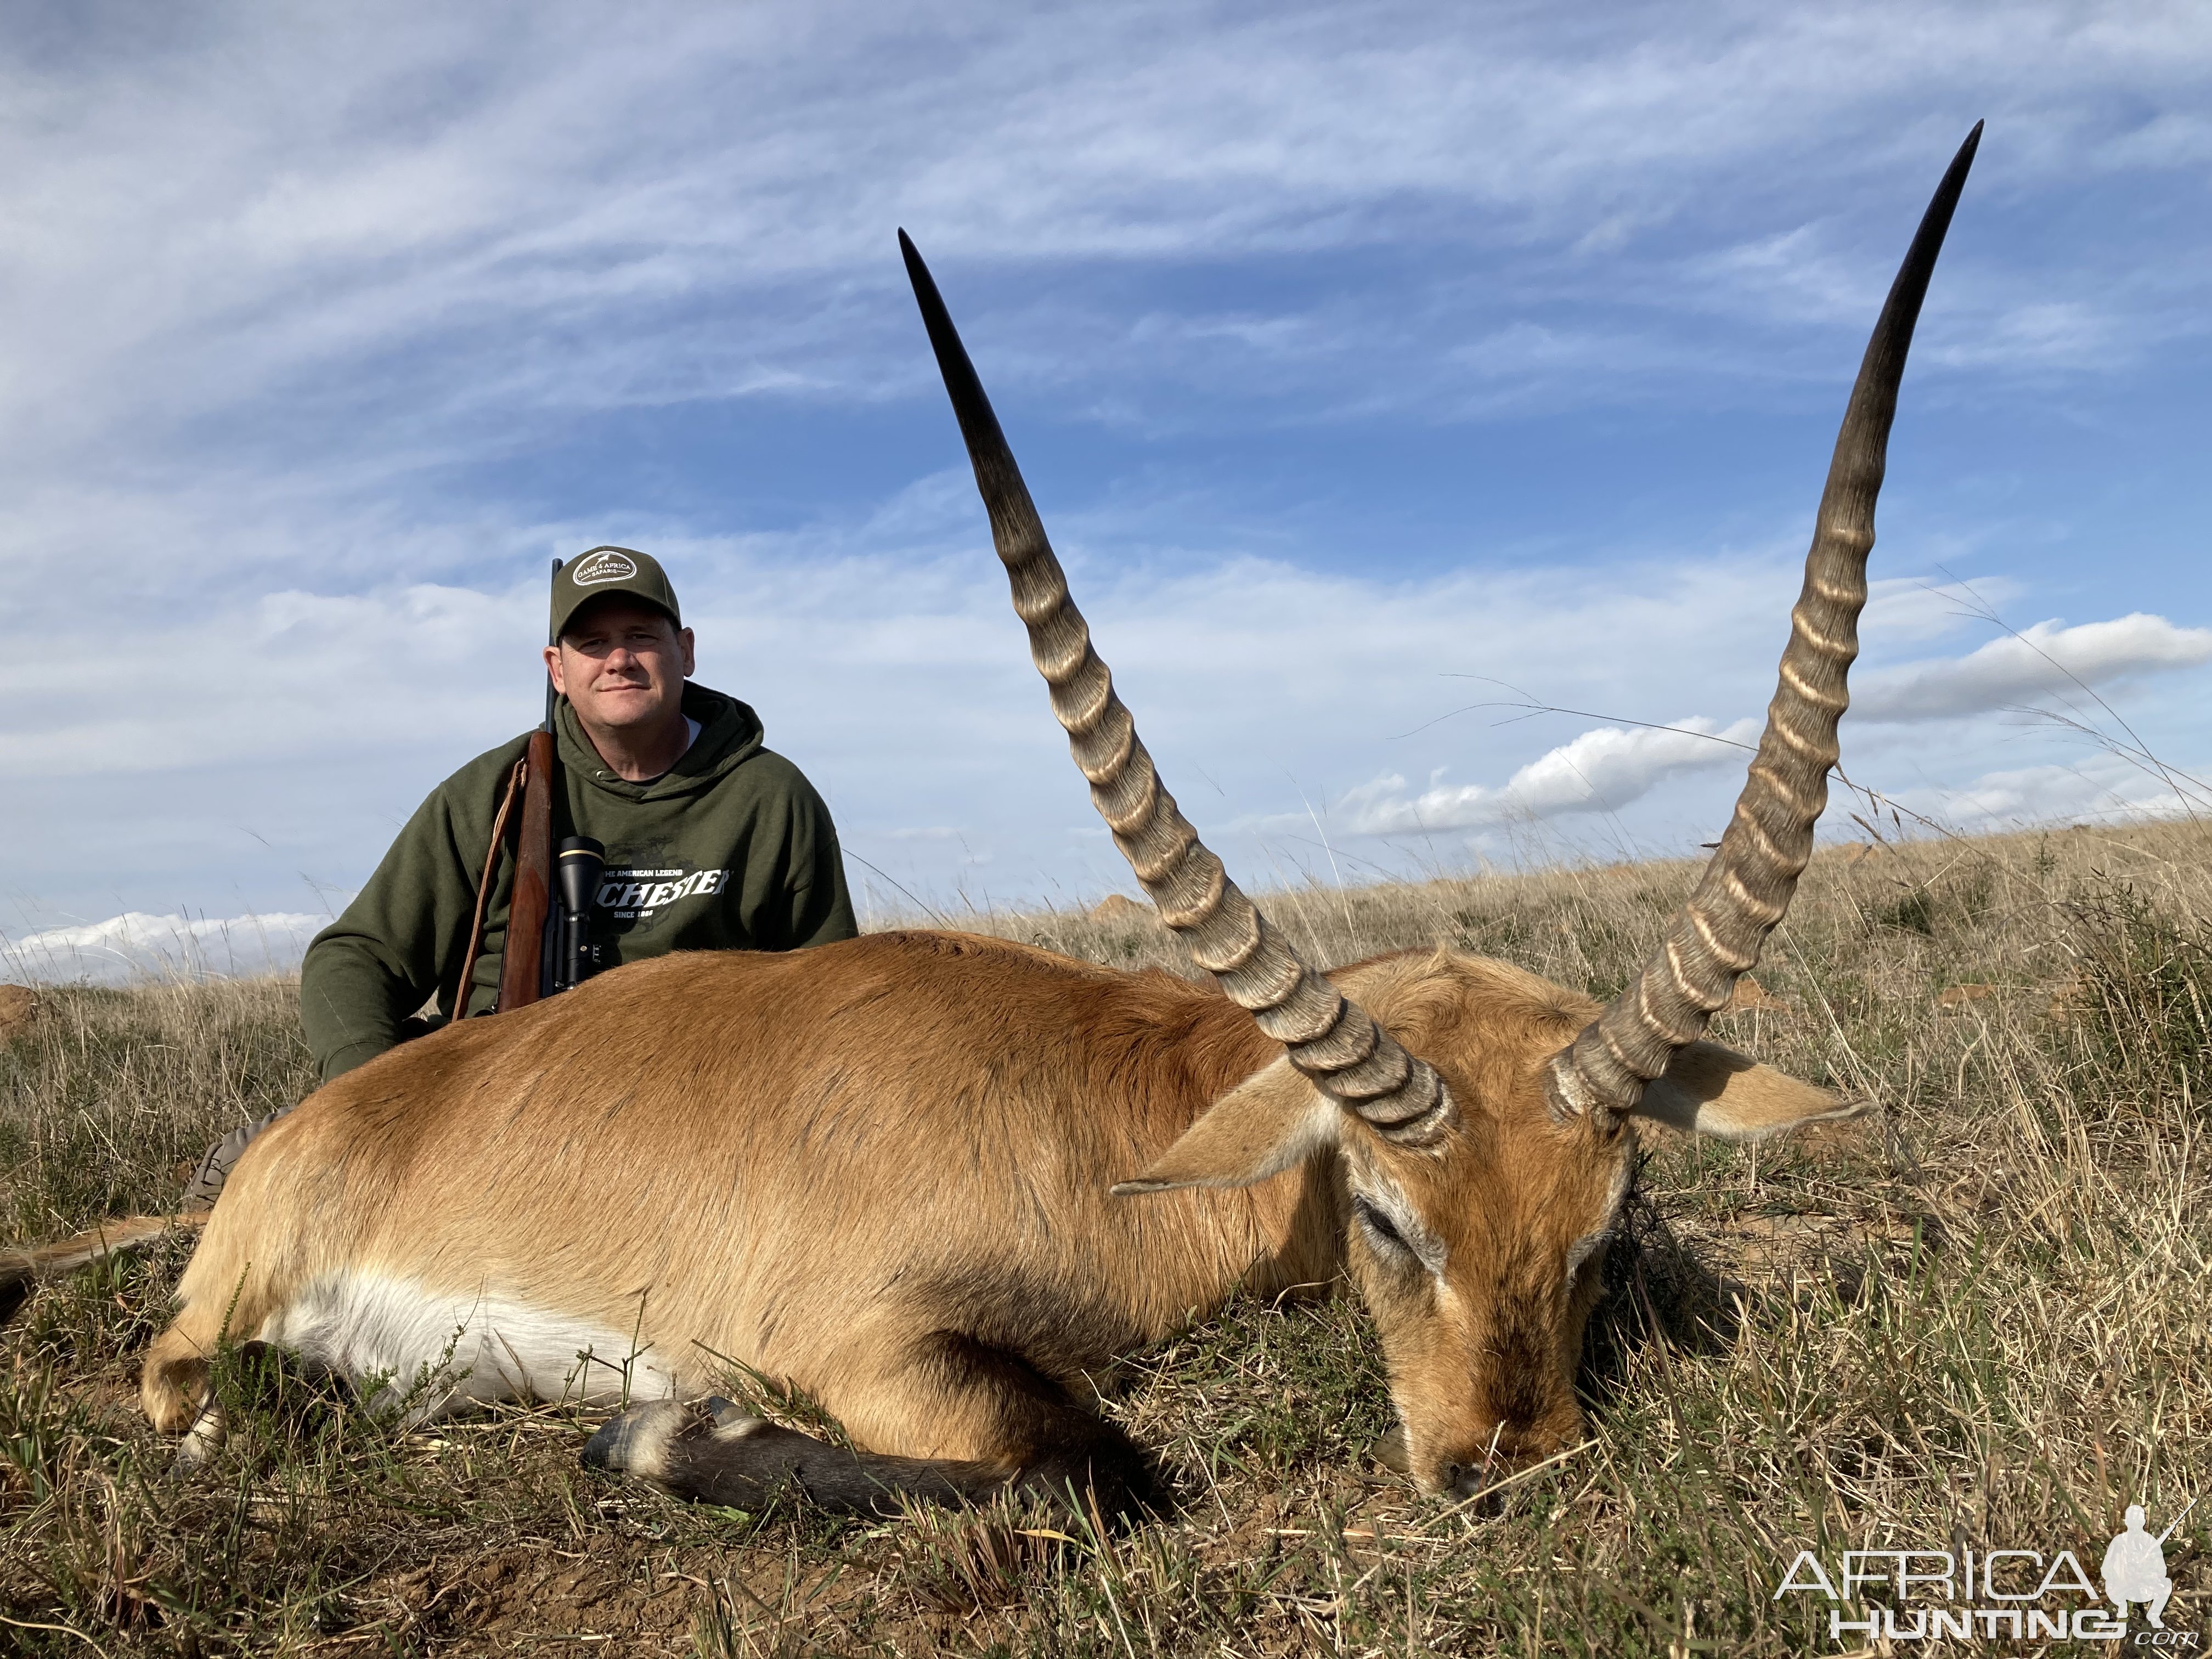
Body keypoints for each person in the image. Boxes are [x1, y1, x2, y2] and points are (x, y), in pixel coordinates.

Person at [185, 547, 857, 1205]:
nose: (619, 659)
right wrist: (373, 1103)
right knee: (278, 1203)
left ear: (684, 650)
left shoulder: (773, 796)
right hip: (482, 1108)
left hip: (692, 1122)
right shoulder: (495, 791)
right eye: (591, 642)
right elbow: (354, 957)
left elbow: (835, 1001)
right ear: (556, 669)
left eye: (641, 637)